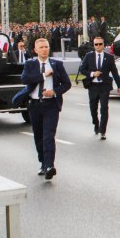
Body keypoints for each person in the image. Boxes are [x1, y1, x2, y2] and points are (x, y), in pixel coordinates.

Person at [21, 38, 72, 180]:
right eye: (41, 47)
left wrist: (55, 92)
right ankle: (43, 163)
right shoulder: (30, 64)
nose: (44, 49)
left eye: (46, 47)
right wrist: (43, 75)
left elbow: (67, 84)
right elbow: (25, 79)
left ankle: (50, 166)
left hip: (51, 106)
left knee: (48, 136)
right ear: (36, 50)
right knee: (38, 136)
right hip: (35, 105)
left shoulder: (57, 64)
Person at [80, 36, 120, 140]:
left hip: (104, 86)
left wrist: (119, 85)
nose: (98, 46)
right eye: (96, 44)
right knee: (93, 108)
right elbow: (82, 69)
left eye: (100, 44)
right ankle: (96, 123)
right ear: (94, 45)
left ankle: (103, 131)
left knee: (104, 108)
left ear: (103, 45)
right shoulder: (88, 56)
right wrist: (92, 73)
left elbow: (114, 72)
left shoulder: (109, 57)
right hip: (93, 86)